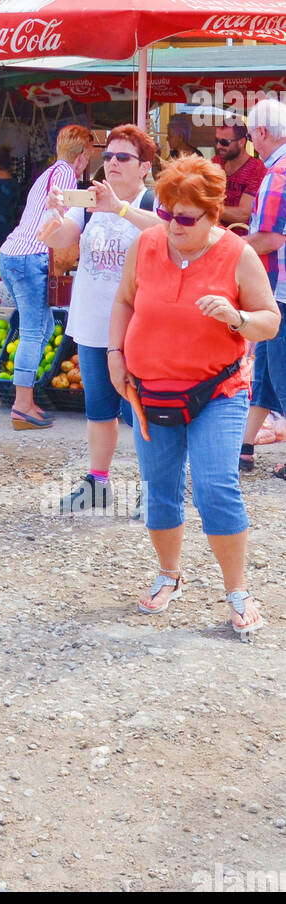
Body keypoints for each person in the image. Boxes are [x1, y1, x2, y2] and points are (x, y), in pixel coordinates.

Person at [107, 159, 278, 635]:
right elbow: (123, 300)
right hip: (149, 390)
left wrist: (236, 317)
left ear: (212, 214)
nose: (173, 226)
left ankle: (238, 591)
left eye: (186, 218)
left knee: (215, 486)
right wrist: (115, 356)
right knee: (159, 489)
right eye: (166, 214)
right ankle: (169, 575)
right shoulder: (144, 244)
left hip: (217, 392)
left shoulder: (237, 254)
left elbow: (270, 320)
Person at [37, 124, 159, 512]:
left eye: (123, 157)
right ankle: (98, 482)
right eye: (107, 156)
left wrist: (119, 208)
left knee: (141, 409)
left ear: (144, 166)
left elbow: (172, 234)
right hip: (90, 321)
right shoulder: (89, 200)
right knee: (99, 409)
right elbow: (60, 239)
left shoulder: (153, 201)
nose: (112, 163)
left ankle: (154, 487)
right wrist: (52, 216)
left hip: (137, 326)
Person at [0, 124, 94, 430]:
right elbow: (63, 214)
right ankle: (22, 405)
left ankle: (27, 398)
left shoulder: (48, 172)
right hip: (30, 258)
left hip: (11, 254)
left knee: (45, 325)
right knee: (32, 330)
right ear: (82, 157)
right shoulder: (66, 173)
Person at [237, 98, 286, 476]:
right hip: (276, 292)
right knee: (267, 374)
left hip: (280, 292)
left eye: (251, 133)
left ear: (262, 133)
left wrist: (229, 248)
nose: (251, 139)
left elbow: (270, 237)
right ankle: (245, 448)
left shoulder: (277, 173)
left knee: (280, 374)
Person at [212, 118, 265, 230]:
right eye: (216, 140)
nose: (218, 146)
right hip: (215, 237)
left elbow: (243, 214)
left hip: (243, 242)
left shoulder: (257, 169)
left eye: (224, 142)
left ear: (241, 142)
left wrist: (206, 208)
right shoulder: (216, 162)